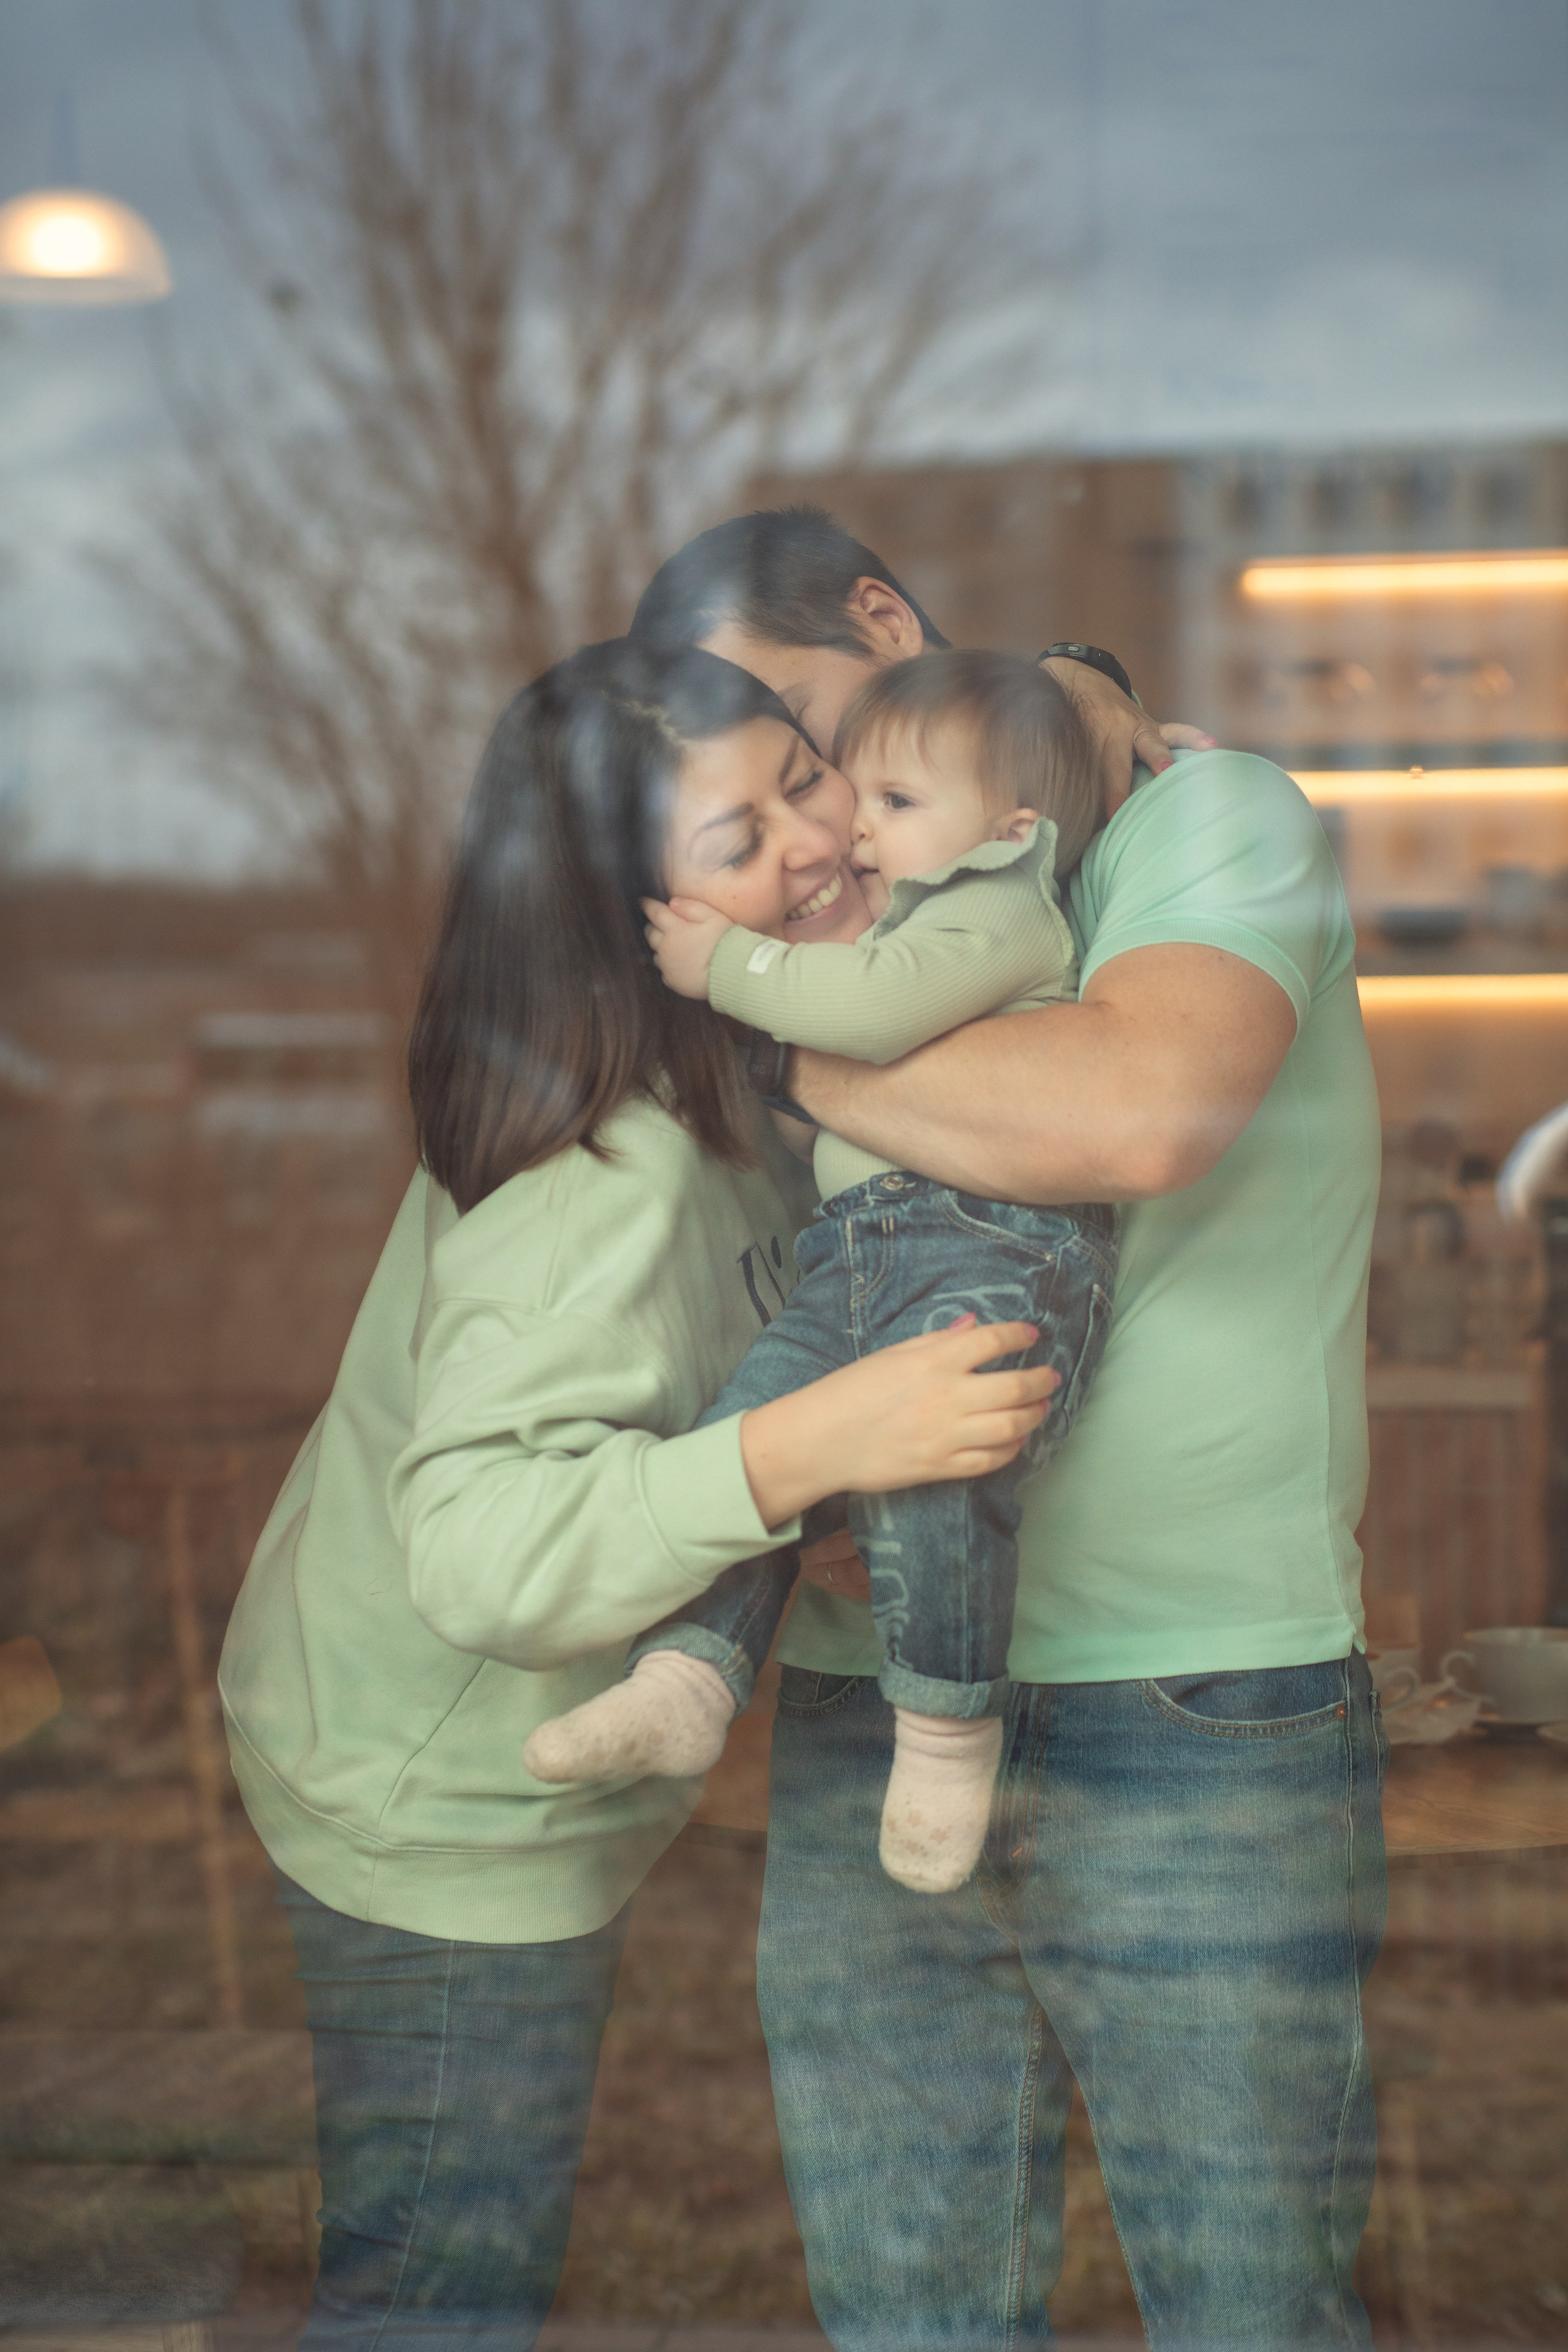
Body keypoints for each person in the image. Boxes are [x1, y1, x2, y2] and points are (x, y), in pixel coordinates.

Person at [217, 639, 1059, 2352]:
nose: (814, 844)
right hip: (440, 1798)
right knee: (439, 2290)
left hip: (452, 1755)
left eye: (804, 779)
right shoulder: (605, 1166)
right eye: (736, 840)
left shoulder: (745, 1076)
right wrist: (817, 1446)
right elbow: (480, 1551)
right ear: (633, 918)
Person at [628, 507, 1387, 2350]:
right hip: (863, 1682)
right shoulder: (862, 902)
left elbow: (1133, 1109)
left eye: (813, 734)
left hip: (1191, 1691)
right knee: (904, 2317)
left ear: (888, 618)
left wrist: (771, 1025)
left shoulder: (1211, 819)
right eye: (772, 789)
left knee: (1248, 2313)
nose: (810, 825)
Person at [527, 651, 1117, 1897]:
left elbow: (877, 1008)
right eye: (866, 790)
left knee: (938, 1478)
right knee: (755, 1430)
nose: (850, 829)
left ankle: (948, 1736)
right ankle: (689, 1674)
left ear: (1009, 828)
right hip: (857, 1253)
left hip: (995, 1245)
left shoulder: (995, 906)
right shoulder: (910, 894)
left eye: (887, 804)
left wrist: (725, 972)